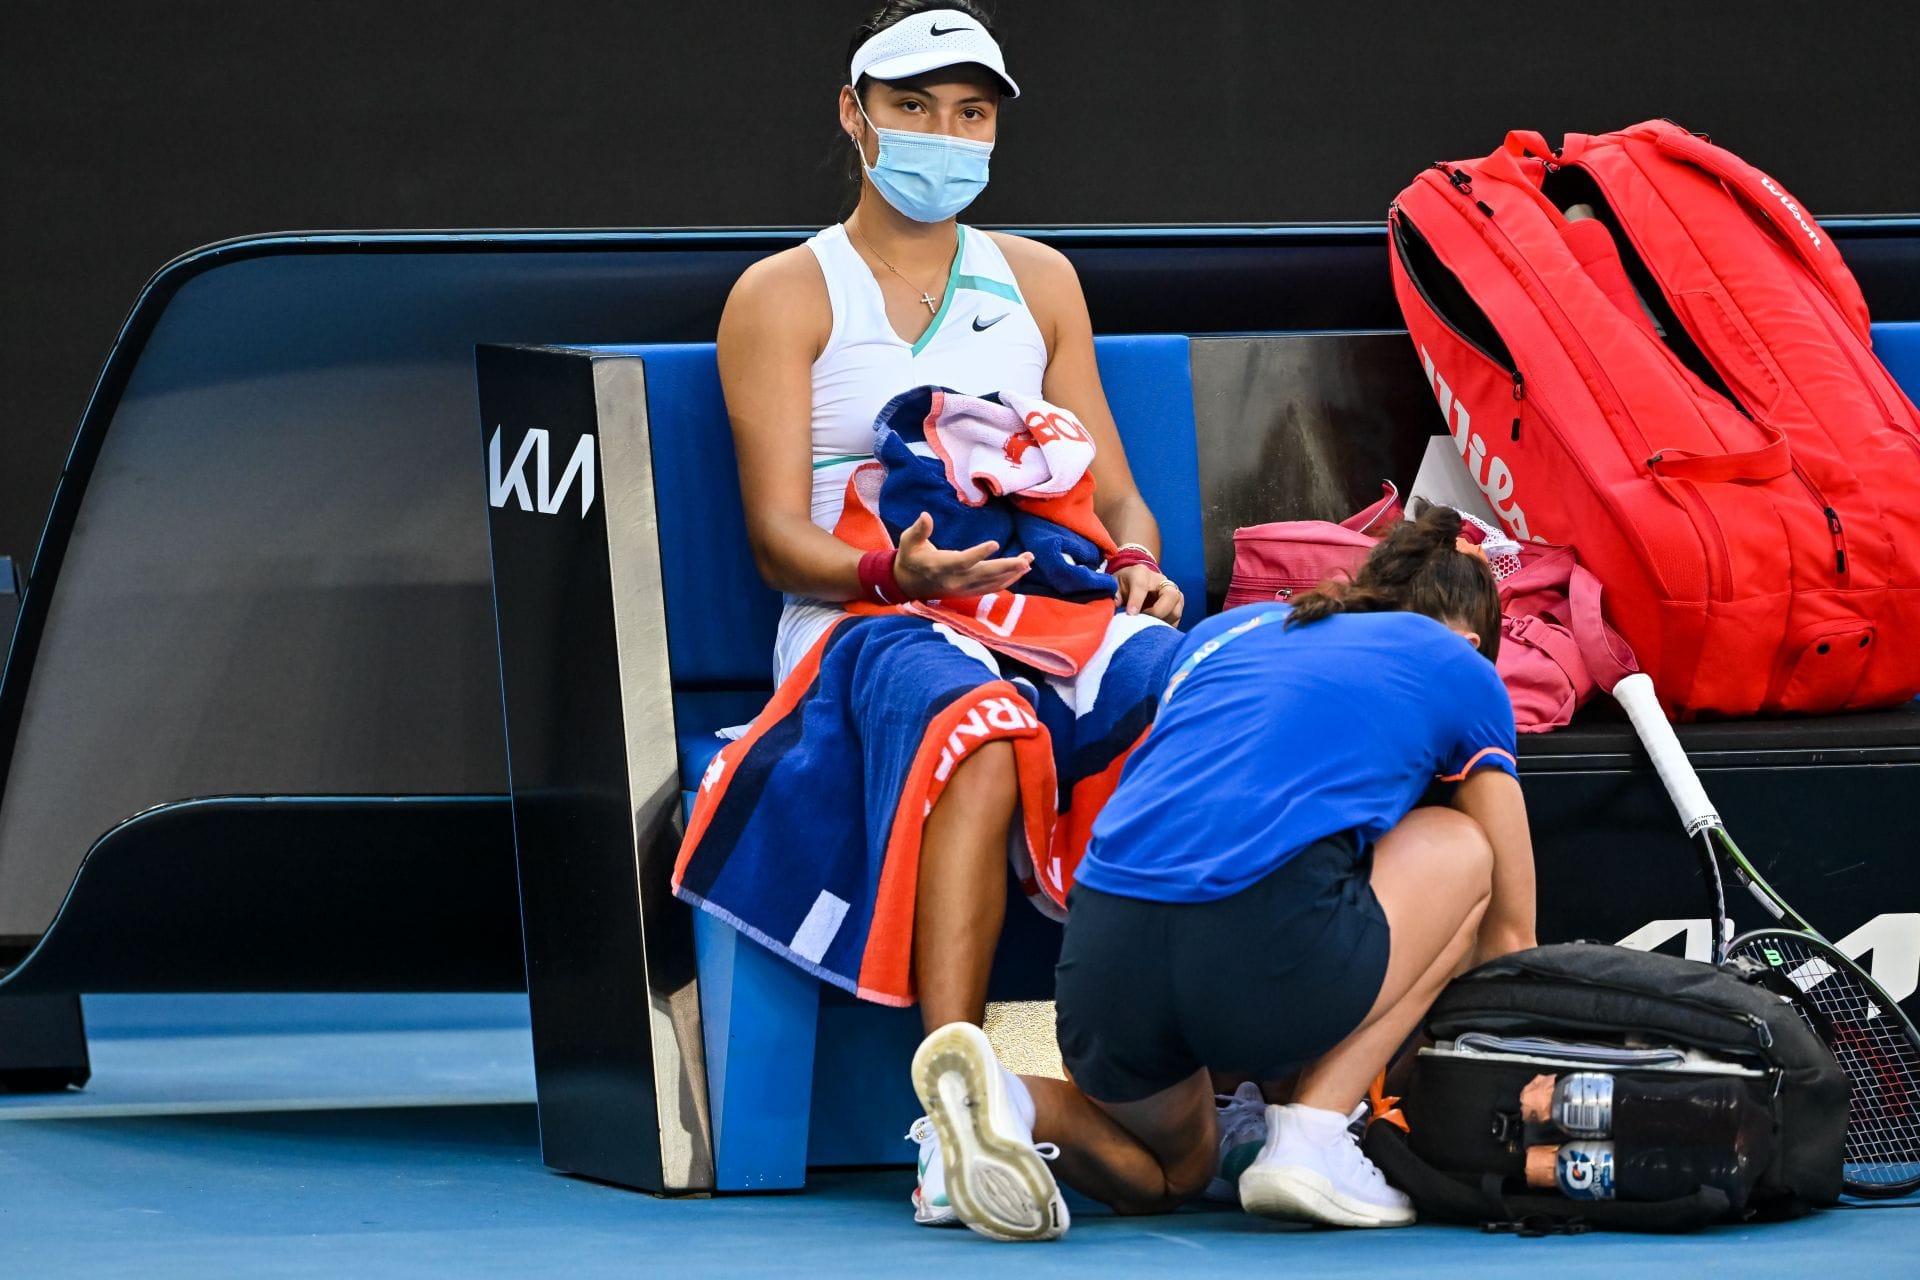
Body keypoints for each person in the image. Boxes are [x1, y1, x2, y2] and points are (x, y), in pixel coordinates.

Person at [712, 0, 1184, 1228]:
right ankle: (954, 1110)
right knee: (975, 725)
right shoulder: (783, 292)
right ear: (854, 117)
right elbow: (779, 543)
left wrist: (1136, 557)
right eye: (914, 107)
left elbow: (1115, 488)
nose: (944, 133)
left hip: (1041, 609)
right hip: (861, 627)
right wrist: (898, 580)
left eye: (969, 113)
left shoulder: (1038, 279)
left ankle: (1203, 1076)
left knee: (1182, 696)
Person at [912, 505, 1538, 1239]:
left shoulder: (1218, 635)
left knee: (1166, 1178)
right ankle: (1312, 1136)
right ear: (1469, 641)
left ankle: (1009, 1102)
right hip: (1257, 964)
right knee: (1462, 848)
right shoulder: (1458, 665)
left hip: (1103, 963)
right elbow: (1509, 938)